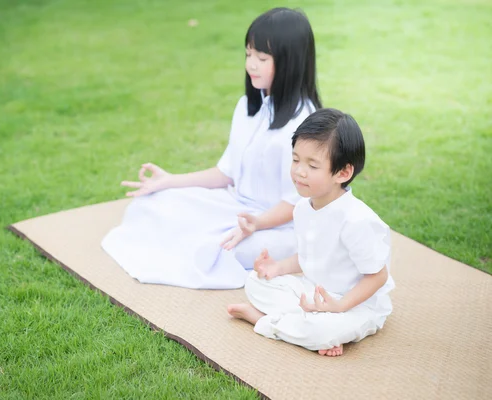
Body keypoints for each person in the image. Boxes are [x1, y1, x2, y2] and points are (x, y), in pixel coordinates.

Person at [102, 8, 322, 289]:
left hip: (277, 226)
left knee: (210, 247)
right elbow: (226, 172)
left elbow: (299, 203)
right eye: (248, 54)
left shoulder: (306, 124)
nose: (251, 64)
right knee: (151, 205)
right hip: (235, 205)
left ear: (291, 62)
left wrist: (255, 223)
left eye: (262, 58)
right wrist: (170, 181)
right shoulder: (247, 107)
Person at [227, 108, 395, 356]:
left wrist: (338, 307)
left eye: (312, 165)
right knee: (256, 281)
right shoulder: (303, 208)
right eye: (295, 160)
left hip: (356, 304)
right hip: (314, 289)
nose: (299, 171)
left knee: (325, 331)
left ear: (343, 172)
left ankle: (263, 321)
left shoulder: (357, 221)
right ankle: (306, 325)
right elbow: (309, 256)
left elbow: (377, 277)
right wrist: (277, 268)